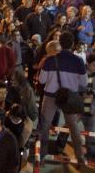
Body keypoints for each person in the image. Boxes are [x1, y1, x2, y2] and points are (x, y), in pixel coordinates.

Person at [37, 32, 88, 164]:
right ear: (72, 44)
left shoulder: (49, 60)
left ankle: (42, 155)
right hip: (69, 97)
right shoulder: (78, 61)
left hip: (50, 96)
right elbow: (84, 83)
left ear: (60, 42)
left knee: (45, 126)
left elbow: (42, 80)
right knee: (73, 126)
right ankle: (79, 156)